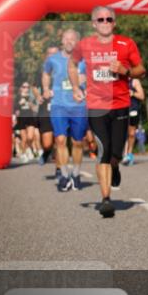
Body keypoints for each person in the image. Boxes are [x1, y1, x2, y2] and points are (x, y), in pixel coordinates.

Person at [69, 6, 144, 218]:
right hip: (96, 106)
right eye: (100, 20)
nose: (105, 22)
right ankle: (106, 199)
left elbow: (141, 70)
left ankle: (115, 165)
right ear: (93, 23)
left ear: (114, 22)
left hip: (120, 104)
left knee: (115, 153)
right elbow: (72, 64)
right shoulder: (84, 45)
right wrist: (75, 87)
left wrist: (125, 71)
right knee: (102, 150)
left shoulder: (126, 43)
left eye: (108, 19)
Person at [42, 30, 88, 191]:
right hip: (59, 105)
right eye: (66, 39)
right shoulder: (52, 59)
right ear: (62, 41)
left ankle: (75, 174)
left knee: (77, 142)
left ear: (77, 41)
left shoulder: (84, 59)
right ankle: (64, 174)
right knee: (60, 140)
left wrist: (86, 80)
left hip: (79, 105)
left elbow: (97, 76)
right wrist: (46, 88)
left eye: (72, 39)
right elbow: (46, 73)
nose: (69, 42)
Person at [37, 46, 59, 170]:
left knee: (60, 139)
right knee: (47, 143)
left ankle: (60, 169)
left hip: (61, 108)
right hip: (46, 110)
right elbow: (34, 86)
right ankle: (46, 152)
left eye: (54, 54)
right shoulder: (42, 71)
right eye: (49, 54)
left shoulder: (65, 69)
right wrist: (38, 96)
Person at [12, 81, 39, 163]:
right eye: (24, 87)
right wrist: (19, 104)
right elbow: (13, 108)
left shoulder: (31, 97)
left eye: (27, 87)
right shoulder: (17, 97)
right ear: (21, 88)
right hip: (21, 118)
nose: (26, 89)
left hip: (30, 117)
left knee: (30, 137)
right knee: (24, 138)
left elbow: (36, 109)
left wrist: (31, 105)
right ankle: (23, 153)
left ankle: (28, 149)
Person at [122, 78, 146, 165]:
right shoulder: (118, 80)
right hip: (121, 110)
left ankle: (129, 153)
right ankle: (125, 154)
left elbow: (142, 96)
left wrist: (133, 93)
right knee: (123, 133)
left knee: (131, 134)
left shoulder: (135, 81)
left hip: (133, 110)